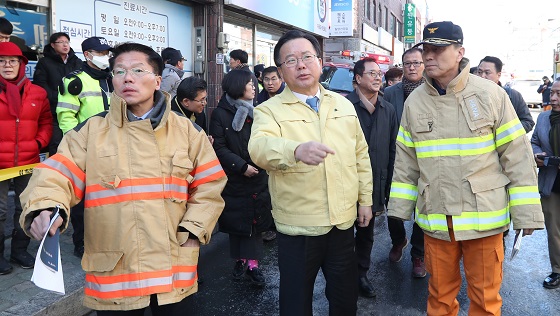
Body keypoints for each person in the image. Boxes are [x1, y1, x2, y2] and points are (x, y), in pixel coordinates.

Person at [20, 42, 227, 314]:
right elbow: (57, 174)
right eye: (119, 72)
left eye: (138, 70)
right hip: (117, 275)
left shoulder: (188, 131)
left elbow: (210, 184)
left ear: (157, 80)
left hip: (174, 267)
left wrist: (192, 231)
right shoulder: (91, 131)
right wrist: (47, 207)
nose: (127, 77)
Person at [388, 21, 544, 315]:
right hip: (437, 219)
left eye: (438, 49)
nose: (429, 56)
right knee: (439, 298)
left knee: (485, 301)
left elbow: (517, 158)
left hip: (483, 219)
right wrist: (399, 210)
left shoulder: (491, 95)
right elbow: (406, 162)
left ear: (460, 52)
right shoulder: (415, 102)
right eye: (426, 50)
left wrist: (527, 214)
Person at [248, 30, 373, 316]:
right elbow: (259, 149)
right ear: (280, 71)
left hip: (341, 223)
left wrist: (365, 199)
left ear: (319, 61)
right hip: (299, 226)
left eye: (307, 57)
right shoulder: (269, 111)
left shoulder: (342, 104)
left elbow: (360, 155)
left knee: (344, 300)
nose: (301, 65)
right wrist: (294, 150)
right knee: (295, 303)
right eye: (290, 60)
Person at [209, 69, 272, 288]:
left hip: (258, 176)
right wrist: (241, 166)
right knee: (237, 224)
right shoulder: (220, 113)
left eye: (255, 84)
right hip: (235, 177)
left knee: (255, 224)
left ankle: (253, 266)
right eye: (250, 84)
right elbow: (218, 145)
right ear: (237, 86)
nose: (254, 88)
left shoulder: (259, 112)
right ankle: (239, 261)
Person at [56, 36, 113, 258]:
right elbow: (66, 118)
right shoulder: (74, 81)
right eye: (100, 53)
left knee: (108, 196)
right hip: (86, 150)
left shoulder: (113, 79)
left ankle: (106, 238)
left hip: (112, 147)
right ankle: (81, 241)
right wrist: (79, 146)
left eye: (106, 53)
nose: (104, 57)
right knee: (82, 201)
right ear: (87, 55)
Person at [347, 57, 398, 297]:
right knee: (343, 235)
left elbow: (393, 149)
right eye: (371, 73)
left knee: (366, 233)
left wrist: (389, 186)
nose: (378, 77)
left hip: (376, 183)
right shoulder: (344, 108)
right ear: (358, 78)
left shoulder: (388, 109)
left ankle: (360, 275)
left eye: (380, 73)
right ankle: (341, 277)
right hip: (347, 184)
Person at [0, 42, 52, 275]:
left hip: (27, 161)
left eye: (13, 60)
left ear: (22, 64)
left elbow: (46, 122)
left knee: (25, 208)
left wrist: (38, 143)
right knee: (0, 211)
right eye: (1, 61)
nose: (7, 65)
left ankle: (19, 250)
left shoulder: (38, 93)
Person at [383, 47, 427, 278]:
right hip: (397, 160)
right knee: (394, 207)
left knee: (423, 209)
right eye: (407, 63)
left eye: (416, 63)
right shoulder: (390, 93)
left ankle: (419, 255)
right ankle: (399, 240)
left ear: (424, 65)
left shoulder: (434, 91)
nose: (412, 67)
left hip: (426, 161)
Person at [33, 32, 82, 156]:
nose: (65, 45)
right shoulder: (45, 62)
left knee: (77, 142)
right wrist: (58, 99)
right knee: (57, 143)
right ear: (53, 45)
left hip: (74, 110)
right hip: (54, 110)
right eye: (61, 42)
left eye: (67, 42)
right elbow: (41, 84)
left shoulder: (77, 62)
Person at [531, 78, 560, 290]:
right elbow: (534, 142)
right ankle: (557, 270)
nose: (554, 98)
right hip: (552, 181)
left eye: (559, 94)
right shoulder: (543, 118)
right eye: (552, 93)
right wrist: (537, 154)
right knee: (554, 229)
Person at [477, 56, 534, 132]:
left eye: (487, 73)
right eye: (480, 72)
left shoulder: (513, 96)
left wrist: (506, 132)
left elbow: (528, 122)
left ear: (499, 75)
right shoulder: (469, 96)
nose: (482, 76)